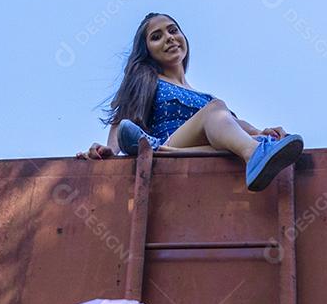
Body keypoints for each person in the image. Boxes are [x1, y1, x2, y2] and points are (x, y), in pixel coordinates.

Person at [77, 12, 304, 191]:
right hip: (165, 143)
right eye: (156, 37)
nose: (169, 38)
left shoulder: (208, 99)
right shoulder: (148, 81)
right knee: (216, 110)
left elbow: (234, 125)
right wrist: (110, 151)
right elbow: (123, 120)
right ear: (147, 51)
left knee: (240, 125)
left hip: (196, 150)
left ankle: (256, 151)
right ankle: (254, 154)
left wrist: (264, 133)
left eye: (173, 30)